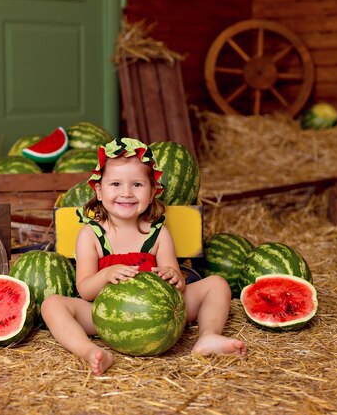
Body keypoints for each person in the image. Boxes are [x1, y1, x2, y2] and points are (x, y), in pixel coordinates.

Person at [41, 138, 246, 375]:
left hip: (162, 312)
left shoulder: (158, 233)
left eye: (137, 185)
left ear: (152, 193)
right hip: (104, 314)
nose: (126, 193)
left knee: (217, 285)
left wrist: (173, 276)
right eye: (115, 184)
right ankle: (90, 351)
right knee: (52, 304)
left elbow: (176, 281)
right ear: (99, 191)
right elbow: (85, 289)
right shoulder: (91, 235)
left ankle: (209, 336)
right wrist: (106, 274)